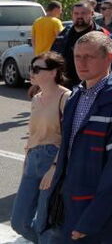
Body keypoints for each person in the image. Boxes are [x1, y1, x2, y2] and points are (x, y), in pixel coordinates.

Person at [37, 32, 112, 243]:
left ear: (109, 57)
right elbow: (67, 153)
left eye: (90, 57)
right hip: (69, 206)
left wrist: (92, 219)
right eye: (77, 56)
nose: (81, 63)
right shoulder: (75, 95)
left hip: (102, 218)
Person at [11, 52, 70, 242]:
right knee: (19, 222)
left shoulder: (66, 97)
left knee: (46, 223)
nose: (32, 72)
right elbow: (34, 133)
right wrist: (27, 158)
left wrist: (54, 168)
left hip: (52, 160)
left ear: (53, 72)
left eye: (37, 69)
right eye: (31, 68)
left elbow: (69, 138)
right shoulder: (36, 98)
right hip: (33, 159)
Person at [53, 1, 105, 89]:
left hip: (88, 87)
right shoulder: (65, 32)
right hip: (63, 86)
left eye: (83, 13)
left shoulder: (100, 35)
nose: (79, 16)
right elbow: (53, 56)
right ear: (72, 15)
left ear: (92, 14)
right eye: (76, 13)